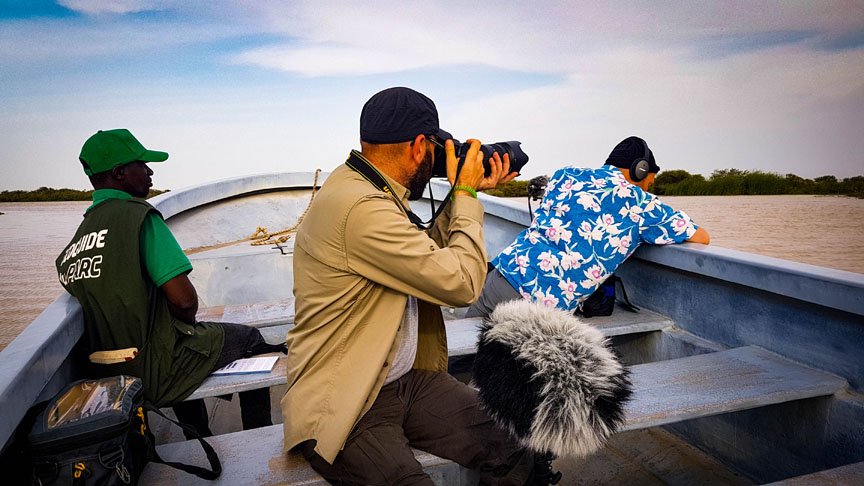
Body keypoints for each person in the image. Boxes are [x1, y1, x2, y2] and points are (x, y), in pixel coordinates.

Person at [281, 87, 557, 485]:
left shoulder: (369, 187)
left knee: (517, 443)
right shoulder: (361, 207)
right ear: (417, 147)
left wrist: (469, 191)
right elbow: (460, 284)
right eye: (435, 149)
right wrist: (462, 193)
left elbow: (428, 256)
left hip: (403, 380)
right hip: (345, 396)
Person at [55, 129, 285, 437]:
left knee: (185, 346)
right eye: (142, 164)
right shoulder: (140, 218)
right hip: (153, 370)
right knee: (250, 339)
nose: (150, 172)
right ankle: (259, 438)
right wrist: (186, 329)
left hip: (105, 369)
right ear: (120, 173)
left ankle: (198, 434)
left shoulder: (81, 235)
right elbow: (184, 301)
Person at [467, 136, 710, 318]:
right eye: (649, 182)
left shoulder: (565, 175)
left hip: (502, 274)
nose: (647, 188)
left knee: (456, 360)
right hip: (542, 307)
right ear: (641, 170)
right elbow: (701, 237)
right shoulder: (641, 204)